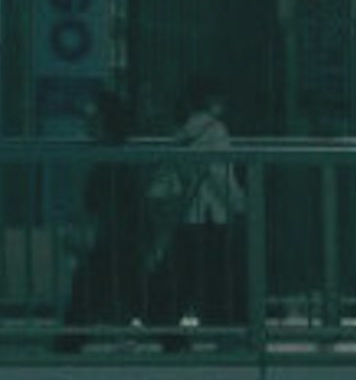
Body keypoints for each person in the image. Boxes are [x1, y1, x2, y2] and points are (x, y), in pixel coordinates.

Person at [150, 70, 246, 342]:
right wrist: (240, 204)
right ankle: (223, 333)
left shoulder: (183, 130)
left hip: (187, 215)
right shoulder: (215, 130)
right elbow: (221, 175)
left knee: (185, 278)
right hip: (213, 216)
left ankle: (169, 333)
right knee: (217, 279)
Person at [55, 89, 149, 348]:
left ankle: (69, 343)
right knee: (137, 293)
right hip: (121, 244)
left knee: (91, 289)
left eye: (93, 116)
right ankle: (170, 338)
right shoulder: (119, 159)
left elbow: (97, 207)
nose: (88, 122)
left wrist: (88, 237)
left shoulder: (109, 164)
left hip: (112, 244)